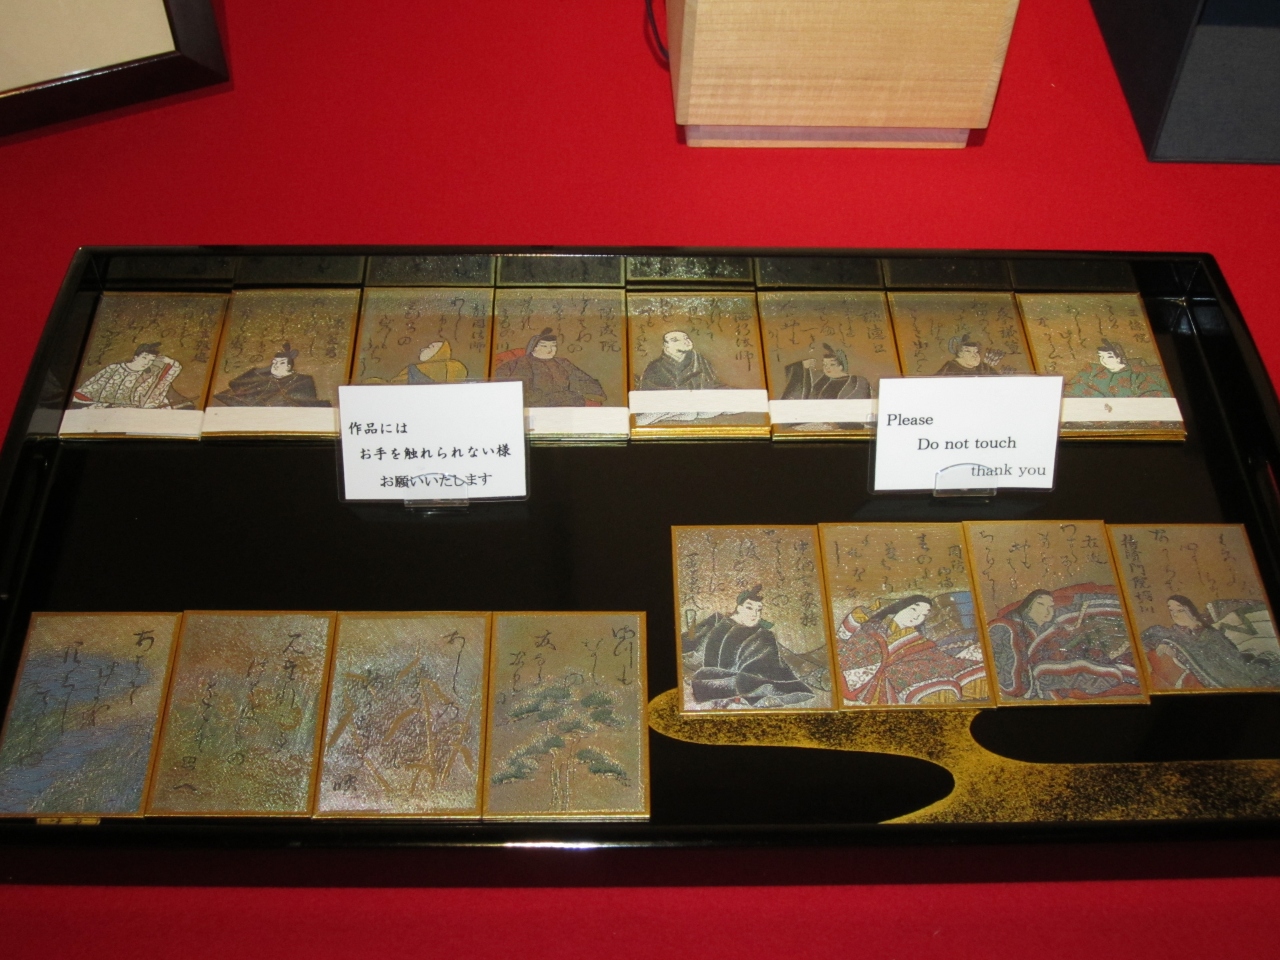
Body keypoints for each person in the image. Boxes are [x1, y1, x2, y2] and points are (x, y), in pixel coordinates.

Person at [987, 585, 1142, 701]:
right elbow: (1011, 668)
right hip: (1035, 676)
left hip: (1053, 666)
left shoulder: (1051, 627)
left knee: (1086, 658)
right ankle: (1118, 674)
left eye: (1051, 606)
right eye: (1040, 604)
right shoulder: (1009, 626)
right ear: (1027, 607)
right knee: (1062, 668)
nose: (1047, 610)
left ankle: (1117, 672)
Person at [835, 594, 987, 705]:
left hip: (919, 664)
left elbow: (932, 655)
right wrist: (889, 654)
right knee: (905, 670)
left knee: (949, 665)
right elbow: (856, 650)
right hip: (881, 673)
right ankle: (932, 690)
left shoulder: (914, 635)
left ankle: (963, 681)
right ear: (900, 607)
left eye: (923, 615)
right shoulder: (873, 627)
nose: (917, 617)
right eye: (914, 609)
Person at [682, 585, 814, 707]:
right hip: (717, 677)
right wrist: (692, 628)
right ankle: (765, 690)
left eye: (759, 610)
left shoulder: (760, 633)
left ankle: (775, 686)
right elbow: (689, 640)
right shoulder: (717, 621)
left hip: (744, 678)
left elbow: (775, 658)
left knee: (766, 639)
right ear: (739, 608)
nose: (755, 614)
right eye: (749, 608)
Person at [1141, 594, 1280, 690]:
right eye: (1171, 610)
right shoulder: (1174, 632)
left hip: (1228, 672)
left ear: (1190, 610)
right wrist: (1166, 642)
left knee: (1247, 676)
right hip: (1202, 676)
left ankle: (1264, 661)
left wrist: (1171, 644)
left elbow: (1233, 661)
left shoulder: (1211, 634)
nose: (1175, 614)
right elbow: (1157, 634)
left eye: (1180, 610)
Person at [492, 328, 606, 406]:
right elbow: (520, 391)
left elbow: (587, 381)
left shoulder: (562, 362)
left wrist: (573, 389)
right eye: (544, 346)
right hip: (538, 407)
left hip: (568, 404)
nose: (551, 350)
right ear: (534, 348)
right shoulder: (522, 363)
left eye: (553, 346)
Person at [72, 342, 190, 409]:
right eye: (144, 358)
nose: (147, 362)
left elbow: (171, 372)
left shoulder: (149, 375)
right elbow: (91, 388)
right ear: (135, 357)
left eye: (151, 360)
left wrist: (170, 361)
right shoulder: (114, 369)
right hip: (108, 409)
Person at [212, 343, 331, 407]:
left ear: (289, 366)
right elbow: (234, 384)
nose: (276, 366)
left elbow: (305, 401)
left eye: (281, 363)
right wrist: (264, 369)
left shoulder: (302, 380)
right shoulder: (267, 378)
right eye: (274, 363)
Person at [1064, 339, 1170, 397]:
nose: (1103, 360)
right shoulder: (1092, 370)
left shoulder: (1135, 375)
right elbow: (1070, 388)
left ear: (1119, 357)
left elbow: (1154, 393)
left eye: (1109, 356)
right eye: (1101, 356)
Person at [781, 343, 871, 401]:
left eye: (832, 364)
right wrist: (802, 366)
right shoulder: (822, 379)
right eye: (824, 364)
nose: (827, 368)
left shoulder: (857, 381)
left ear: (841, 366)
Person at [638, 330, 722, 390]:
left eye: (686, 338)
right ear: (666, 345)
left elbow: (714, 385)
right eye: (675, 340)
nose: (685, 341)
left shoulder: (700, 360)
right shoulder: (654, 367)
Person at [378, 340, 468, 384]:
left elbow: (394, 384)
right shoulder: (452, 369)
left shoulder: (415, 370)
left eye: (430, 347)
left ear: (438, 353)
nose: (423, 349)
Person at [935, 333, 1007, 376]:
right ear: (960, 353)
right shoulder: (950, 368)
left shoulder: (983, 367)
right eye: (968, 351)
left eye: (976, 351)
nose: (974, 355)